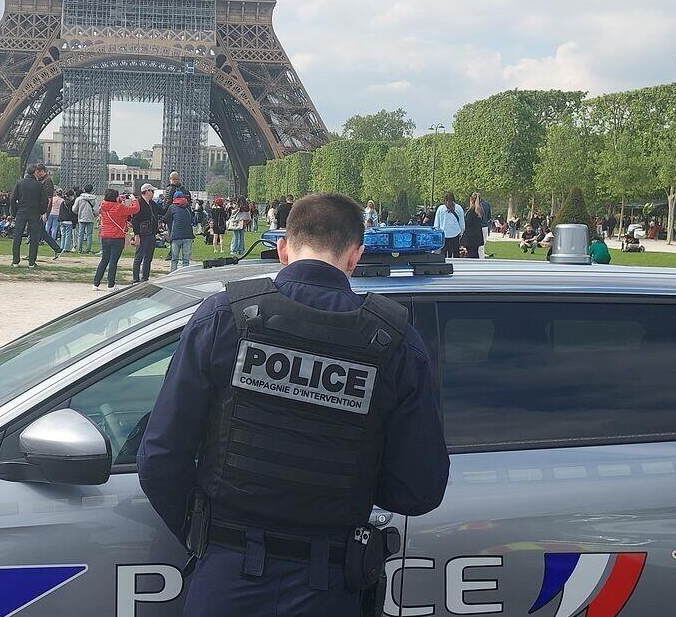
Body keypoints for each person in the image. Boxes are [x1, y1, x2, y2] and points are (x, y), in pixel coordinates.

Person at [137, 193, 449, 616]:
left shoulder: (225, 316)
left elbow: (160, 457)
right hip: (329, 585)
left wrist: (205, 533)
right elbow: (419, 488)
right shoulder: (393, 341)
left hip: (227, 573)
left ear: (283, 247)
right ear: (355, 256)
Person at [93, 188, 139, 290]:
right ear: (115, 197)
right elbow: (135, 209)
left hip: (105, 235)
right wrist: (134, 200)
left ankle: (96, 283)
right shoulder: (119, 207)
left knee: (104, 260)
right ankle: (111, 284)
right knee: (113, 261)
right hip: (117, 237)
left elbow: (113, 206)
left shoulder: (104, 205)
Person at [10, 165, 48, 267]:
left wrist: (14, 213)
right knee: (34, 239)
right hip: (34, 213)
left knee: (17, 237)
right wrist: (41, 211)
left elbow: (13, 199)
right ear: (35, 172)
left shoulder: (19, 183)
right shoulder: (39, 185)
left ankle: (15, 261)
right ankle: (31, 262)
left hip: (21, 212)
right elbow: (45, 201)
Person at [130, 184, 162, 283]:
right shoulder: (139, 203)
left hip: (151, 233)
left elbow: (162, 211)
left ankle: (145, 277)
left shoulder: (152, 204)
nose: (153, 193)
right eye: (152, 191)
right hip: (142, 234)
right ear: (147, 191)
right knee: (139, 257)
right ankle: (135, 279)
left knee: (148, 257)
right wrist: (136, 235)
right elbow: (135, 220)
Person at [165, 191, 195, 273]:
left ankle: (173, 275)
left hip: (176, 235)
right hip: (188, 235)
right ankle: (184, 275)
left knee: (174, 259)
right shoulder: (187, 207)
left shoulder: (172, 207)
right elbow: (192, 219)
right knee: (186, 259)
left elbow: (166, 218)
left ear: (174, 198)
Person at [433, 192, 465, 258]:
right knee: (455, 253)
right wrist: (461, 233)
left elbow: (436, 224)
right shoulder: (458, 208)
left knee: (443, 254)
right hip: (455, 234)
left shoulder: (440, 208)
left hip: (444, 234)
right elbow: (462, 224)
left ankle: (443, 267)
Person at [74, 185, 99, 254]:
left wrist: (78, 212)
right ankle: (88, 249)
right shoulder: (94, 199)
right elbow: (97, 210)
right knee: (89, 234)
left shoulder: (79, 198)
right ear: (91, 190)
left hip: (81, 217)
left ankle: (80, 249)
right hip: (90, 218)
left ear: (84, 190)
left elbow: (74, 209)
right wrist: (95, 214)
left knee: (80, 234)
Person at [460, 193, 483, 259]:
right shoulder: (479, 211)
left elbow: (467, 223)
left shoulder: (470, 212)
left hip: (470, 237)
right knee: (475, 253)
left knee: (470, 254)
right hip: (477, 236)